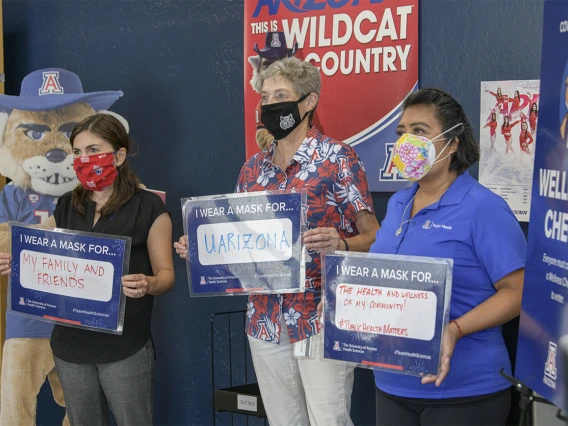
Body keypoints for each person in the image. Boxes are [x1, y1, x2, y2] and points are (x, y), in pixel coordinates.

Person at [176, 57, 380, 426]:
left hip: (318, 314)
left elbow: (375, 236)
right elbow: (238, 244)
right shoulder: (252, 170)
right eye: (266, 97)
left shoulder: (337, 158)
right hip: (264, 318)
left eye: (281, 95)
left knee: (328, 419)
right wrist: (201, 251)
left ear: (309, 101)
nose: (271, 104)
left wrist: (343, 243)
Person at [0, 113, 175, 426]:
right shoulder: (68, 204)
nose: (83, 159)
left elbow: (166, 276)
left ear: (119, 155)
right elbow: (53, 258)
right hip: (69, 345)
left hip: (125, 346)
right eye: (77, 152)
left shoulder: (148, 206)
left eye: (94, 150)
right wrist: (19, 264)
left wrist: (149, 283)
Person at [367, 88, 525, 426]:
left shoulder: (483, 208)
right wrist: (346, 301)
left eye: (419, 131)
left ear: (452, 143)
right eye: (402, 132)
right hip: (392, 383)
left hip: (464, 391)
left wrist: (454, 329)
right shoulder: (398, 205)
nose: (405, 142)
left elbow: (518, 292)